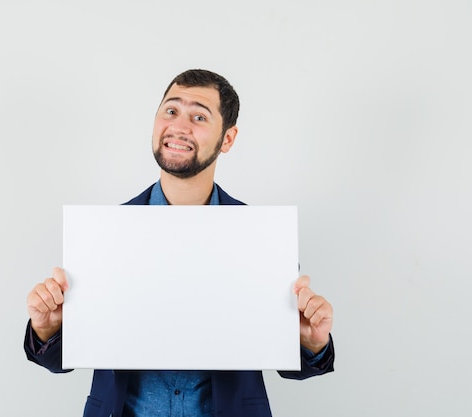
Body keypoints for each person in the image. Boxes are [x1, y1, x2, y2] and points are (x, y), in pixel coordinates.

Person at [24, 69, 335, 417]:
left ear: (227, 139)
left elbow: (290, 363)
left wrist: (310, 343)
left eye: (199, 116)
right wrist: (47, 328)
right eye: (170, 111)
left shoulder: (260, 238)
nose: (179, 126)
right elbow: (65, 358)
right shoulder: (104, 234)